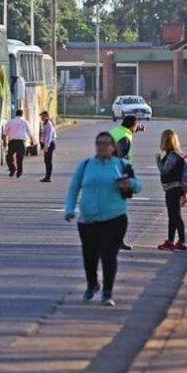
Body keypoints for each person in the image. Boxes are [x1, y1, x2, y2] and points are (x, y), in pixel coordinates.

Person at [64, 131, 142, 307]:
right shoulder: (86, 165)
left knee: (108, 255)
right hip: (88, 220)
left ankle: (107, 292)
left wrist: (129, 184)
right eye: (99, 143)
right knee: (89, 256)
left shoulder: (121, 165)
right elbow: (74, 188)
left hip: (114, 218)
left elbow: (138, 186)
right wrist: (69, 209)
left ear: (113, 146)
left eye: (106, 143)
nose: (102, 147)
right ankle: (92, 284)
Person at [155, 129, 187, 251]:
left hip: (173, 189)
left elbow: (164, 170)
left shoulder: (173, 155)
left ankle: (182, 240)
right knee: (172, 215)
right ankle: (171, 240)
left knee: (175, 215)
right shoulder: (176, 154)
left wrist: (158, 160)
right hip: (174, 188)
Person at [110, 115, 138, 251]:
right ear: (132, 125)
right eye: (136, 126)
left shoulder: (116, 131)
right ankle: (118, 240)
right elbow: (119, 158)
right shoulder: (125, 138)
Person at [3, 109, 34, 178]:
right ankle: (19, 172)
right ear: (22, 114)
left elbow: (5, 133)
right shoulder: (25, 122)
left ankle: (12, 168)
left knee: (9, 157)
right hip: (21, 142)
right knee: (20, 158)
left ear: (15, 114)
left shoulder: (10, 122)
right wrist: (32, 140)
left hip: (12, 142)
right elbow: (29, 132)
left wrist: (4, 142)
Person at [40, 111, 57, 183]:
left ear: (47, 116)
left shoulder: (49, 125)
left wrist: (46, 146)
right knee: (46, 161)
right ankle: (47, 176)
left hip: (49, 144)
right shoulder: (45, 124)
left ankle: (48, 177)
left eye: (43, 116)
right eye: (41, 116)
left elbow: (49, 137)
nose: (42, 118)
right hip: (47, 144)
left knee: (48, 161)